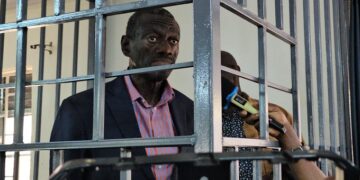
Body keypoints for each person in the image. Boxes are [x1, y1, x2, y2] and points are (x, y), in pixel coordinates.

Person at [50, 8, 194, 180]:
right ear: (126, 46)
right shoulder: (80, 109)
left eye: (173, 40)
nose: (167, 49)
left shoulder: (188, 108)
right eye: (153, 38)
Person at [221, 51, 332, 180]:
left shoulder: (276, 115)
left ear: (236, 73)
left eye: (220, 72)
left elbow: (305, 163)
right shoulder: (195, 119)